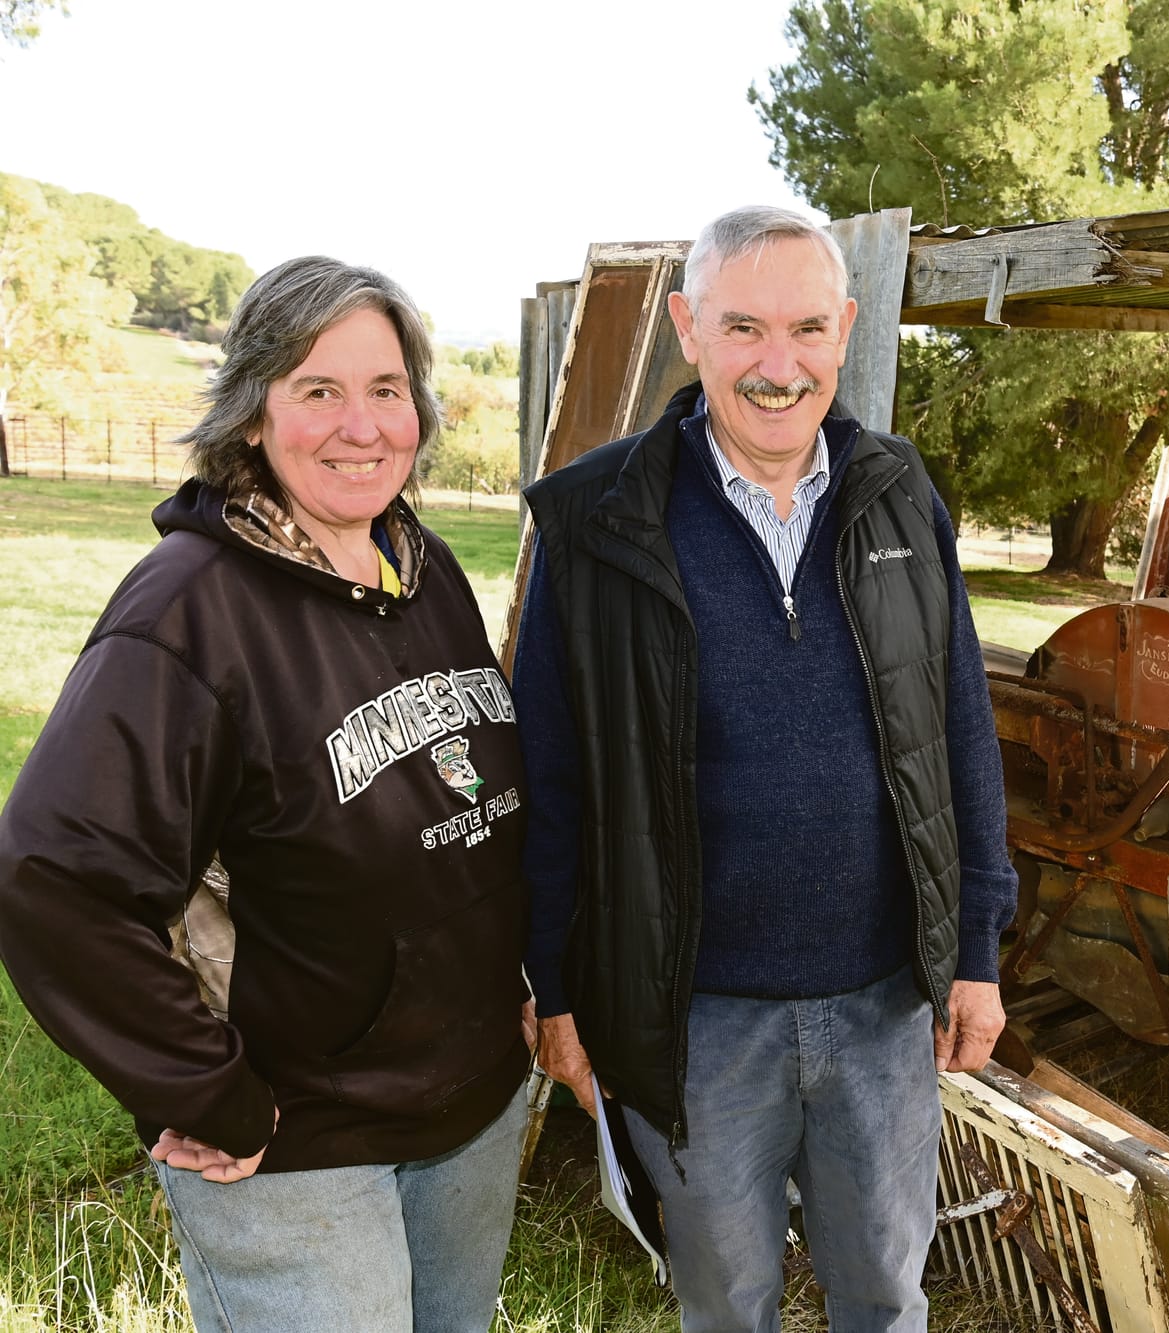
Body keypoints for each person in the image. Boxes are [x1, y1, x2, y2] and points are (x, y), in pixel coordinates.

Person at [0, 257, 534, 1332]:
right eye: (317, 390)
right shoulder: (189, 614)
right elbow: (53, 878)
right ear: (252, 414)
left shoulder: (419, 571)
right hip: (295, 1140)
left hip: (468, 1103)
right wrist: (202, 1089)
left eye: (386, 389)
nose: (361, 424)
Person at [514, 205, 1016, 1331]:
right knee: (724, 1301)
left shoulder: (897, 492)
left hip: (883, 1005)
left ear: (843, 330)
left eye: (802, 329)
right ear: (689, 329)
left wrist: (973, 950)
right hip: (693, 1015)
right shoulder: (596, 520)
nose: (776, 366)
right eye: (742, 328)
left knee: (883, 1296)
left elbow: (958, 731)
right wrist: (553, 983)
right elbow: (548, 771)